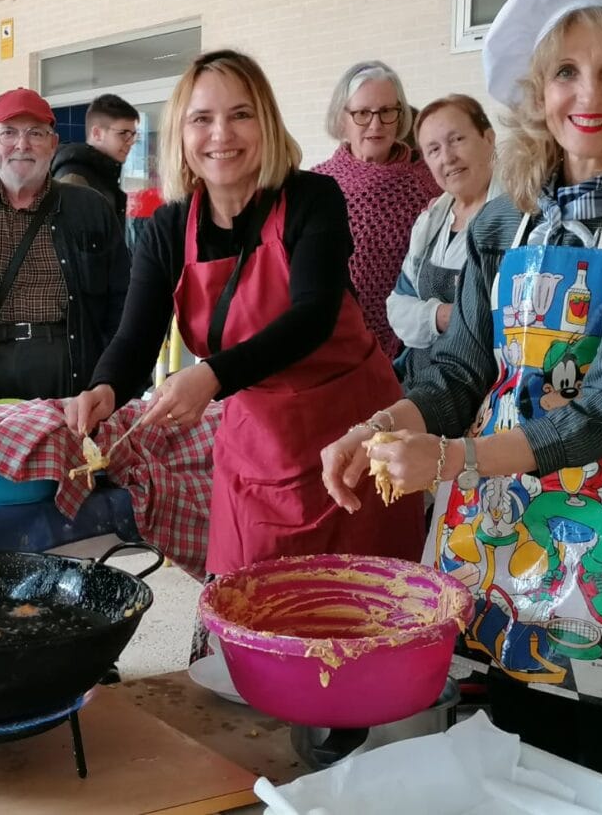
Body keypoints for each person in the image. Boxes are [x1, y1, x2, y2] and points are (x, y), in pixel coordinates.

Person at [321, 0, 602, 803]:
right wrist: (381, 425)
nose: (591, 92)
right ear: (537, 90)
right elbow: (463, 363)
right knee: (510, 751)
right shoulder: (514, 218)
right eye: (567, 71)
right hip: (508, 535)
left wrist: (451, 459)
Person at [66, 50, 425, 579]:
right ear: (181, 135)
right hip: (256, 447)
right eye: (202, 119)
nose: (221, 134)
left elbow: (313, 316)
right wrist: (105, 387)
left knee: (360, 604)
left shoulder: (312, 197)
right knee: (249, 601)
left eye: (240, 114)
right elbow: (136, 337)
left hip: (355, 437)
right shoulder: (169, 228)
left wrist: (212, 375)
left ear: (267, 122)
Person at [0, 88, 129, 400]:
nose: (22, 144)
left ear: (53, 144)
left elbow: (122, 300)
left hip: (69, 371)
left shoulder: (89, 208)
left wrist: (110, 379)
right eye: (8, 133)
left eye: (36, 133)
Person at [314, 61, 439, 361]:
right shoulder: (314, 187)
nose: (376, 124)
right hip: (327, 349)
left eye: (387, 111)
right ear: (341, 118)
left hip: (408, 353)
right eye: (362, 113)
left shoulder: (430, 185)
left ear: (400, 115)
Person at [387, 95, 500, 381]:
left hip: (485, 386)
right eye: (433, 150)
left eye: (457, 140)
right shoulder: (430, 221)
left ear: (488, 138)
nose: (447, 157)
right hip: (421, 380)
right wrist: (441, 316)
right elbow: (399, 307)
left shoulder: (519, 216)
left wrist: (450, 316)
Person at [51, 92, 140, 228]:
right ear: (97, 133)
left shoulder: (105, 175)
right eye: (123, 134)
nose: (130, 142)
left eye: (133, 135)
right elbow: (66, 244)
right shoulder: (75, 178)